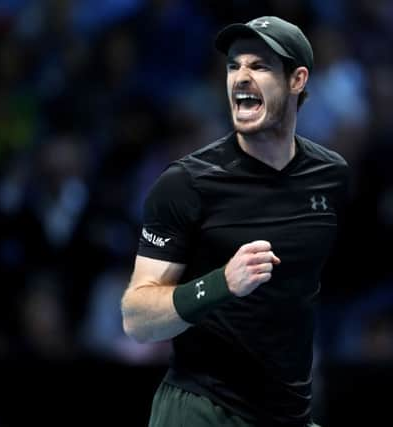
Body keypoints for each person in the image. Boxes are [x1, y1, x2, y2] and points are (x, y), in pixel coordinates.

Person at [120, 16, 349, 427]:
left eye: (259, 66)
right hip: (200, 409)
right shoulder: (185, 183)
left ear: (297, 80)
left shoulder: (331, 176)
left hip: (288, 413)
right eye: (233, 65)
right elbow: (137, 318)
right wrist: (221, 282)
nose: (240, 77)